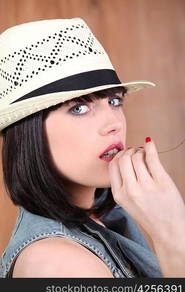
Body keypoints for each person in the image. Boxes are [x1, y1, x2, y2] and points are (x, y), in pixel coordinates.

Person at [0, 17, 185, 278]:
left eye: (114, 101)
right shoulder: (59, 264)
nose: (113, 124)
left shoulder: (107, 218)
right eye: (79, 108)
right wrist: (173, 234)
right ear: (29, 134)